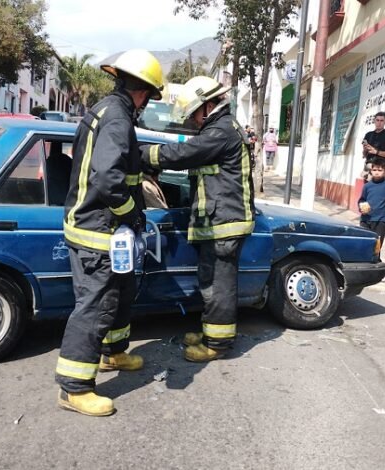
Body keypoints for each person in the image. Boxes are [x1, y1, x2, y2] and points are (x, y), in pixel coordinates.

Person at [54, 49, 165, 417]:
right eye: (150, 97)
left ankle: (113, 354)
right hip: (96, 231)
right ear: (144, 92)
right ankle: (74, 388)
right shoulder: (118, 119)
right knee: (96, 305)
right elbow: (107, 179)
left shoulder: (105, 110)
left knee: (119, 294)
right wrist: (133, 213)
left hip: (97, 227)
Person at [142, 75, 255, 363]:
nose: (192, 120)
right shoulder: (220, 128)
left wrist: (142, 155)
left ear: (206, 105)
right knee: (210, 281)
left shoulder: (220, 132)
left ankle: (217, 344)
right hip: (217, 221)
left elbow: (183, 154)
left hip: (225, 222)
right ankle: (210, 334)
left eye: (193, 113)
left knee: (219, 286)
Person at [358, 157, 385, 250]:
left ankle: (375, 260)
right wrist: (361, 207)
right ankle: (364, 260)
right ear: (371, 171)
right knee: (364, 241)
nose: (377, 172)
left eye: (380, 170)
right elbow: (362, 199)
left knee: (377, 244)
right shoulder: (367, 186)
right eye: (374, 170)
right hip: (366, 219)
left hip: (380, 220)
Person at [361, 111, 385, 181]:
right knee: (368, 189)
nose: (379, 123)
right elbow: (364, 154)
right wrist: (366, 150)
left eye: (381, 120)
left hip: (380, 168)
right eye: (377, 120)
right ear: (374, 121)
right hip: (368, 166)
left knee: (377, 189)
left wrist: (376, 152)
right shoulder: (368, 135)